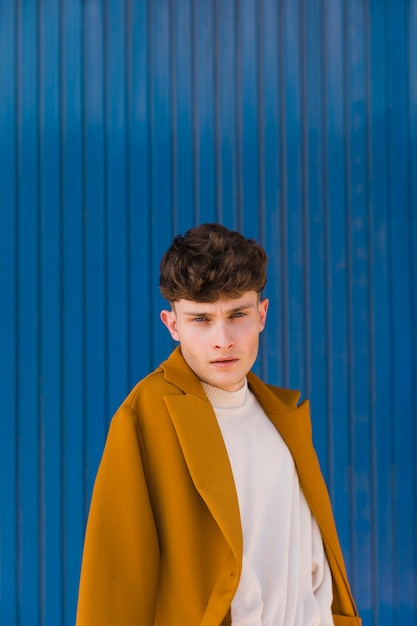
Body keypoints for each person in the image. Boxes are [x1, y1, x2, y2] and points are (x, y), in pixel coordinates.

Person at [76, 223, 361, 626]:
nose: (222, 339)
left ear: (261, 314)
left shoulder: (281, 414)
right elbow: (115, 578)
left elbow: (313, 563)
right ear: (172, 324)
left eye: (237, 314)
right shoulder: (146, 416)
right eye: (201, 320)